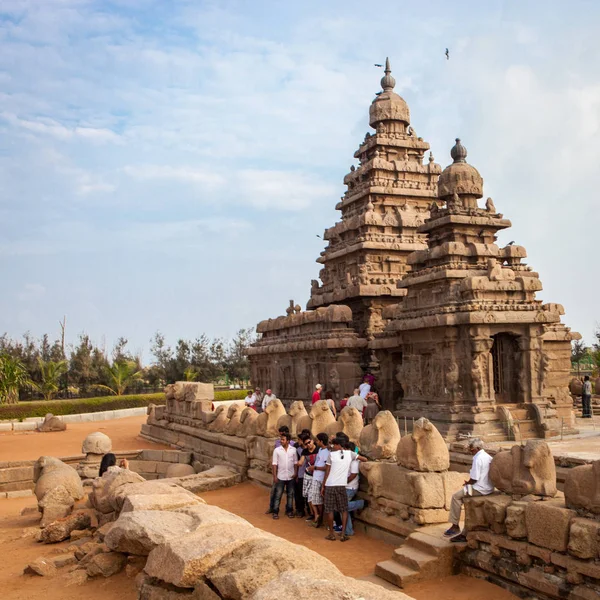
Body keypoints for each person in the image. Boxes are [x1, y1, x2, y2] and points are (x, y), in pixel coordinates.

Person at [444, 439, 494, 542]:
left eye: (472, 450)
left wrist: (467, 483)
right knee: (462, 494)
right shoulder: (488, 457)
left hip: (479, 488)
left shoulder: (478, 458)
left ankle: (455, 526)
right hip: (488, 488)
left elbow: (474, 478)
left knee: (455, 497)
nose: (471, 452)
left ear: (477, 449)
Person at [322, 437, 353, 541]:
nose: (333, 446)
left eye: (334, 445)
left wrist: (323, 485)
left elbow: (327, 471)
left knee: (329, 510)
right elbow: (363, 459)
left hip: (330, 484)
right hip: (341, 485)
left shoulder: (331, 455)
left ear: (338, 445)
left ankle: (331, 534)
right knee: (344, 510)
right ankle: (343, 534)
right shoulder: (350, 454)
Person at [267, 431, 296, 519]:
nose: (281, 441)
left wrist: (295, 473)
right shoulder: (277, 450)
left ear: (288, 441)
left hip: (291, 476)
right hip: (280, 476)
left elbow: (295, 462)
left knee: (290, 494)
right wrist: (275, 476)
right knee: (278, 494)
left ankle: (289, 510)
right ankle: (275, 511)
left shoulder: (293, 450)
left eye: (283, 440)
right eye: (281, 439)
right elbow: (274, 464)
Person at [308, 432, 329, 528]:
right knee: (314, 499)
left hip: (320, 478)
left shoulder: (326, 452)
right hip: (316, 477)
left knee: (319, 500)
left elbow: (326, 467)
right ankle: (318, 516)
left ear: (321, 441)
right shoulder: (320, 449)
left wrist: (315, 468)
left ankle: (321, 518)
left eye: (317, 440)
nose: (316, 442)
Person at [297, 431, 318, 522]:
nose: (308, 445)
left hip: (318, 475)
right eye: (306, 444)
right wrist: (298, 463)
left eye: (309, 442)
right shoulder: (305, 452)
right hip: (309, 476)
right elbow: (301, 462)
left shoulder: (319, 449)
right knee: (309, 496)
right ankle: (313, 514)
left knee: (317, 497)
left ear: (312, 441)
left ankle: (317, 514)